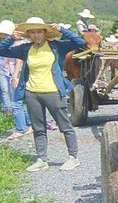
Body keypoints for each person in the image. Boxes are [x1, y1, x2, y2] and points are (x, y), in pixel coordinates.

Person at [0, 17, 85, 171]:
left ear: (45, 33)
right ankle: (41, 159)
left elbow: (80, 43)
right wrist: (11, 38)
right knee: (38, 128)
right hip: (32, 93)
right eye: (32, 32)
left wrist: (62, 30)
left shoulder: (56, 47)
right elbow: (2, 50)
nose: (36, 35)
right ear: (29, 34)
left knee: (65, 126)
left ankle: (73, 157)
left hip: (53, 92)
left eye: (39, 31)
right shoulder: (25, 48)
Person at [0, 20, 32, 139]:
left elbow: (19, 61)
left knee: (16, 101)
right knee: (18, 101)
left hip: (15, 74)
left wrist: (14, 76)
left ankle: (21, 128)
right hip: (8, 72)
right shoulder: (8, 42)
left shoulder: (18, 43)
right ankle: (29, 125)